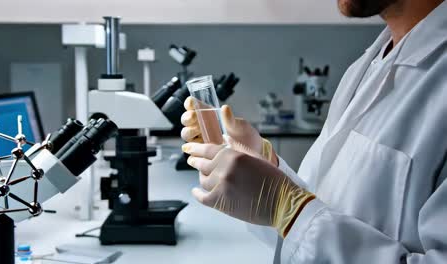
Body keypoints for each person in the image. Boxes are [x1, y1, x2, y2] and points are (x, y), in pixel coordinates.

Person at [180, 0, 447, 263]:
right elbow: (316, 218)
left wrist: (286, 207)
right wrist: (268, 171)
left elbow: (303, 219)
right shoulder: (370, 63)